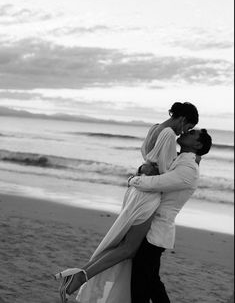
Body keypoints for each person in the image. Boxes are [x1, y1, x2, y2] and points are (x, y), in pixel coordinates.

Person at [54, 102, 199, 303]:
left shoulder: (155, 128)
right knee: (128, 248)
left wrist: (140, 171)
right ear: (183, 119)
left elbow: (149, 161)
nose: (186, 131)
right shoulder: (168, 135)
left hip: (137, 192)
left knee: (123, 245)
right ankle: (80, 276)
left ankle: (80, 274)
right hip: (148, 197)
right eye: (188, 127)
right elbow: (165, 172)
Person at [130, 128, 212, 303]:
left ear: (198, 144)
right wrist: (141, 169)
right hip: (151, 225)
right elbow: (151, 160)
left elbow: (156, 183)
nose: (185, 133)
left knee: (141, 280)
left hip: (158, 230)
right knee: (150, 280)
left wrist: (132, 180)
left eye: (191, 134)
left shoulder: (189, 168)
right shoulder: (178, 159)